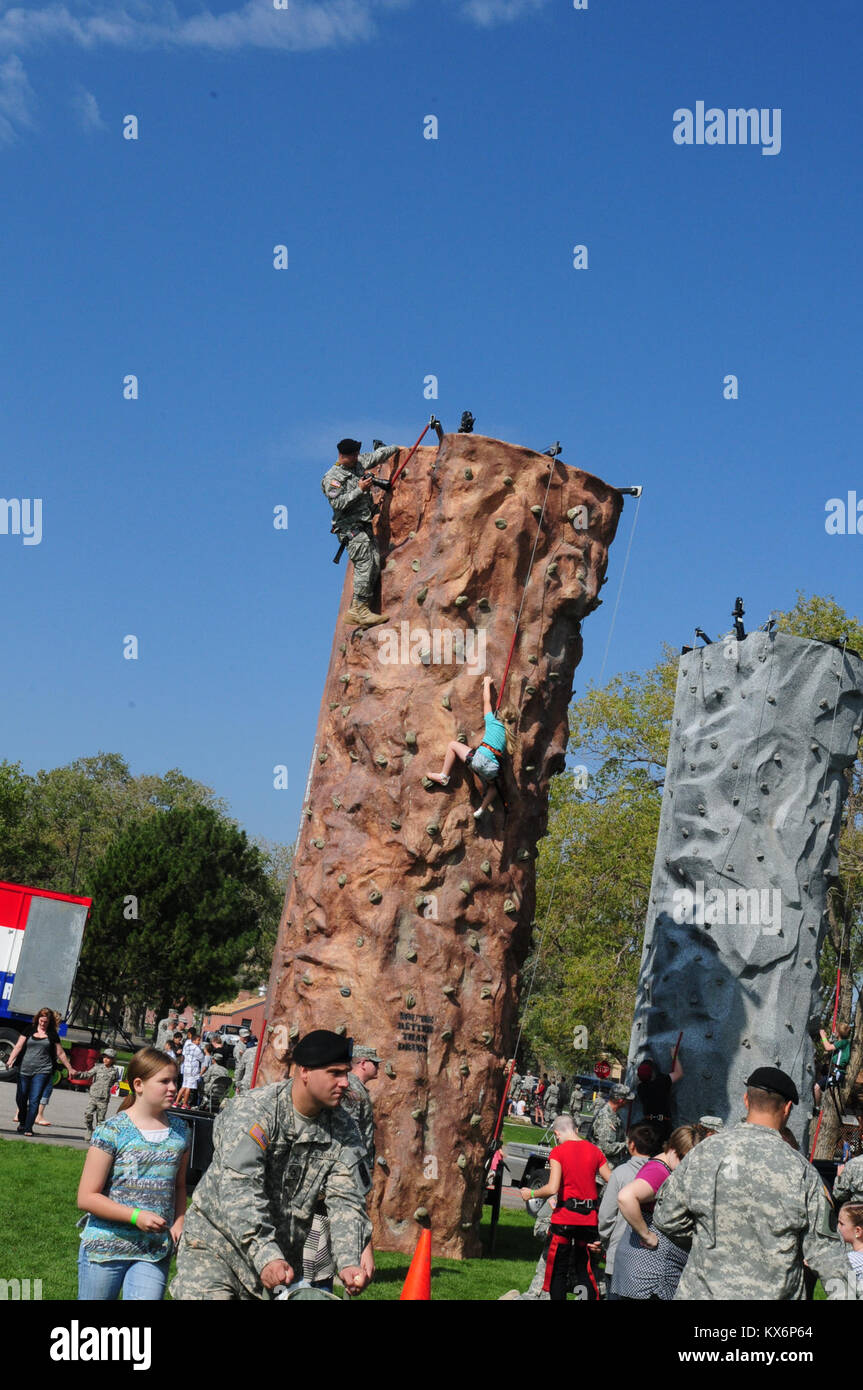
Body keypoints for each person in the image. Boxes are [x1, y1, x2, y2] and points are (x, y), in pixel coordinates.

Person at [172, 1030, 373, 1300]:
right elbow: (239, 1187)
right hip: (216, 1248)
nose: (345, 1082)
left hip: (278, 1265)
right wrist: (264, 1252)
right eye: (334, 1073)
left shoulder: (343, 1128)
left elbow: (346, 1198)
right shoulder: (256, 1111)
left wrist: (348, 1260)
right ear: (305, 1071)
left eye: (346, 1072)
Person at [653, 1066, 861, 1300]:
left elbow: (666, 1217)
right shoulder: (802, 1172)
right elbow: (827, 1255)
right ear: (787, 1108)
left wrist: (710, 1237)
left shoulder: (704, 1154)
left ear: (745, 1100)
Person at [76, 1047, 189, 1300]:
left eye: (175, 1081)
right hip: (106, 1248)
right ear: (138, 1084)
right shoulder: (112, 1131)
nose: (173, 1087)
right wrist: (135, 1215)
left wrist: (179, 1221)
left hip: (153, 1250)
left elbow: (180, 1186)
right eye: (164, 1081)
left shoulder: (181, 1131)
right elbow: (86, 1197)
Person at [519, 1113, 611, 1300]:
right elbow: (612, 1181)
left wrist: (532, 1194)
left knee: (557, 1271)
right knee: (584, 1270)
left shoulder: (558, 1152)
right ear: (576, 1130)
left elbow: (553, 1187)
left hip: (565, 1219)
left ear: (557, 1134)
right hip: (588, 1219)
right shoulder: (595, 1151)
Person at [612, 1124, 701, 1300]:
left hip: (644, 1270)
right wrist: (646, 1235)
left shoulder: (661, 1168)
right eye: (684, 1158)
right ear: (673, 1149)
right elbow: (626, 1197)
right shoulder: (659, 1172)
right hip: (650, 1275)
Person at [322, 437, 399, 628]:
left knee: (373, 560)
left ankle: (361, 607)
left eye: (357, 454)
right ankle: (358, 610)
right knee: (365, 562)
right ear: (343, 456)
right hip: (350, 529)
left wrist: (396, 449)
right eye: (353, 455)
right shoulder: (333, 478)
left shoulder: (358, 463)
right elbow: (337, 503)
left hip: (363, 526)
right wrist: (359, 490)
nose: (357, 457)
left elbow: (376, 456)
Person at [597, 1120, 664, 1299]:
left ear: (631, 1145)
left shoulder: (621, 1173)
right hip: (650, 1256)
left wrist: (604, 1240)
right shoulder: (663, 1174)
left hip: (618, 1253)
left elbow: (606, 1215)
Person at [426, 675, 507, 819]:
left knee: (452, 745)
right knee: (494, 788)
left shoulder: (491, 721)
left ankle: (444, 775)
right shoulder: (506, 736)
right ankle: (481, 809)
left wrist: (487, 683)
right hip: (492, 768)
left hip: (479, 759)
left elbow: (486, 700)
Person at [7, 1006, 73, 1135]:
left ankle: (28, 1127)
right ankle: (22, 1121)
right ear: (38, 1019)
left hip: (42, 1071)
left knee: (34, 1100)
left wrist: (70, 1068)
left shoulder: (52, 1035)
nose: (43, 1024)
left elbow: (60, 1053)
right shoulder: (29, 1030)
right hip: (24, 1070)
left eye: (46, 1022)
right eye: (41, 1021)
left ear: (50, 1022)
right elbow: (19, 1046)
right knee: (20, 1098)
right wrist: (10, 1059)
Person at [72, 1048, 121, 1138]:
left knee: (101, 1119)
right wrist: (77, 1074)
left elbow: (116, 1081)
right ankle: (89, 1130)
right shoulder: (97, 1068)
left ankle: (98, 1135)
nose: (105, 1059)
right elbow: (87, 1074)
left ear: (113, 1060)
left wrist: (116, 1085)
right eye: (104, 1057)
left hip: (103, 1098)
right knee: (88, 1114)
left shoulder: (114, 1071)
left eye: (109, 1058)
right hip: (94, 1096)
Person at [636, 1045, 683, 1129]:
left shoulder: (640, 1088)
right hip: (662, 1124)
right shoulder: (661, 1082)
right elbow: (679, 1073)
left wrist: (647, 1064)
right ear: (653, 1073)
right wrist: (674, 1056)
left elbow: (642, 1077)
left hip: (647, 1124)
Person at [591, 1083, 634, 1169]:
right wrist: (627, 1144)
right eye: (627, 1100)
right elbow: (607, 1148)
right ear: (621, 1100)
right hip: (602, 1173)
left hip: (610, 1167)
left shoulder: (614, 1114)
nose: (629, 1103)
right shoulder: (606, 1118)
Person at [838, 1202, 863, 1287]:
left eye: (841, 1224)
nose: (838, 1227)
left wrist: (813, 1261)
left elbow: (827, 1268)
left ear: (858, 1231)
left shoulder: (853, 1259)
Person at [177, 1030, 204, 1109]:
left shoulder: (187, 1046)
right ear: (193, 1040)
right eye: (198, 1040)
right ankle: (185, 1103)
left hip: (186, 1068)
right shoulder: (196, 1049)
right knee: (189, 1086)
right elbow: (202, 1059)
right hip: (192, 1069)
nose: (199, 1042)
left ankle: (176, 1102)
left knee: (184, 1085)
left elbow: (184, 1054)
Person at [821, 1023, 853, 1089]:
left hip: (837, 1073)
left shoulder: (842, 1042)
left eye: (835, 1030)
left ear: (838, 1033)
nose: (834, 1031)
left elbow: (827, 1047)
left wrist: (823, 1036)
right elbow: (828, 1047)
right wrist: (827, 1039)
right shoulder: (844, 1042)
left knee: (817, 1087)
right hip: (836, 1072)